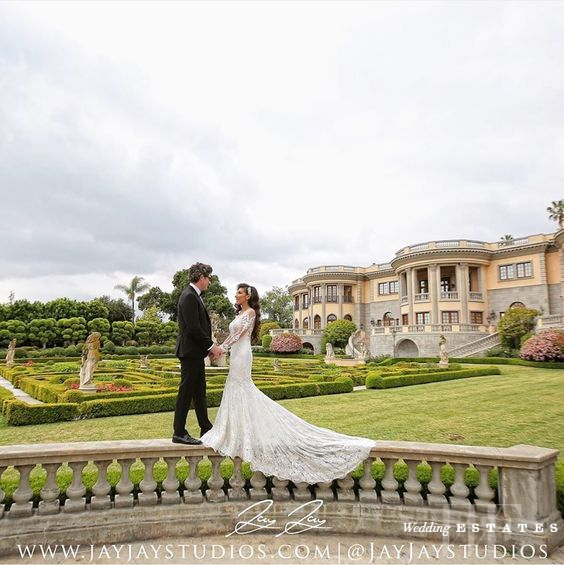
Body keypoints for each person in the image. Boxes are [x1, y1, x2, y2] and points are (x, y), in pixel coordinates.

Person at [201, 283, 376, 484]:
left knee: (242, 388)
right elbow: (234, 335)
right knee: (236, 388)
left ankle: (240, 433)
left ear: (248, 296)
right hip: (237, 355)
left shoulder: (249, 313)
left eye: (239, 292)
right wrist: (222, 348)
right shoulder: (241, 313)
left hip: (242, 355)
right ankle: (235, 430)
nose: (236, 295)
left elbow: (238, 335)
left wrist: (221, 349)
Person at [173, 262, 223, 445]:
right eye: (208, 277)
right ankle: (178, 431)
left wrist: (206, 349)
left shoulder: (194, 296)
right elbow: (194, 328)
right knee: (186, 391)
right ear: (201, 278)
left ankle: (206, 427)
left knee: (199, 391)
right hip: (189, 352)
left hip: (194, 352)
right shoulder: (189, 296)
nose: (209, 281)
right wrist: (211, 347)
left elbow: (197, 328)